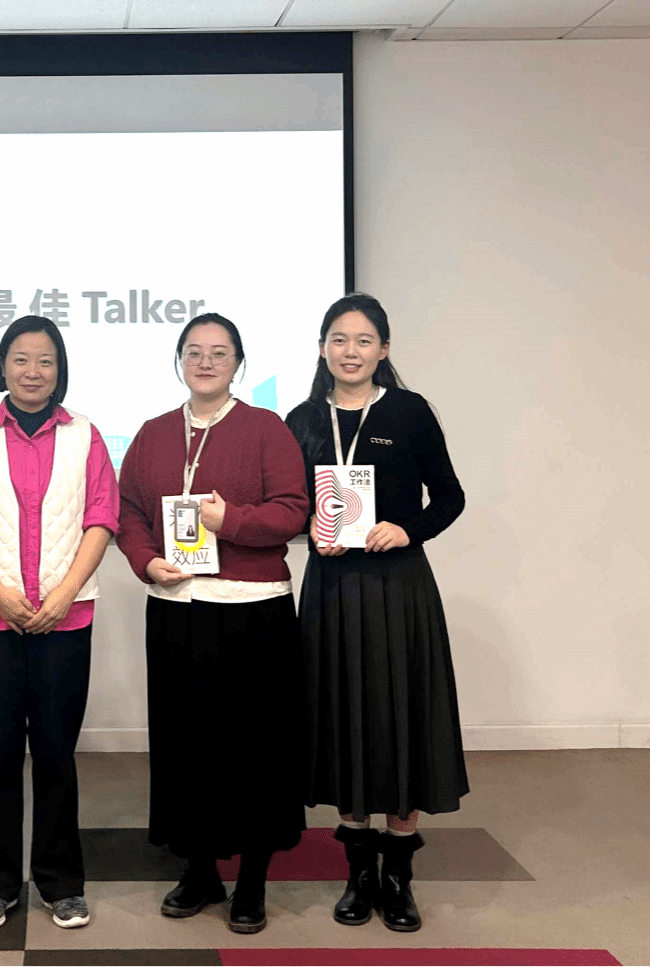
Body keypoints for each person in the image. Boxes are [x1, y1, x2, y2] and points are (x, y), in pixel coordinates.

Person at [116, 312, 309, 935]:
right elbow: (128, 510)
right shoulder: (152, 434)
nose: (205, 362)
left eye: (219, 352)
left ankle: (252, 881)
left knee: (254, 749)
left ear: (238, 364)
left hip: (254, 609)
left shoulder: (266, 429)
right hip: (176, 607)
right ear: (179, 360)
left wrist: (232, 522)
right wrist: (146, 561)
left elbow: (293, 511)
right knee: (186, 745)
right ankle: (199, 870)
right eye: (194, 351)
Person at [284, 292, 466, 933]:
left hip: (398, 589)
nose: (350, 351)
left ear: (383, 349)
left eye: (363, 340)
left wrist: (408, 529)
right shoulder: (303, 419)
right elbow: (288, 505)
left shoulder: (409, 412)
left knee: (400, 720)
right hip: (332, 590)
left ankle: (399, 878)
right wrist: (308, 527)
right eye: (339, 339)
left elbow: (450, 496)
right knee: (343, 719)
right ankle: (359, 875)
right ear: (322, 348)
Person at [0, 316, 118, 932]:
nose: (32, 371)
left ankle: (62, 883)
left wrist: (64, 595)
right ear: (2, 365)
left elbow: (102, 519)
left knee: (57, 754)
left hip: (66, 620)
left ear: (60, 370)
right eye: (20, 359)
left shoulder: (86, 434)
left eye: (45, 361)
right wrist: (0, 594)